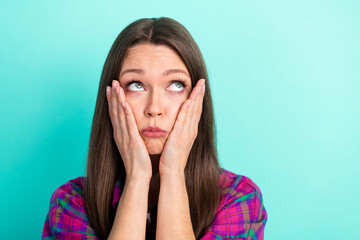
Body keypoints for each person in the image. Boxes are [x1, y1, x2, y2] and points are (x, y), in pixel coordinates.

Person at [41, 17, 267, 240]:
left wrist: (172, 173)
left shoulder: (238, 198)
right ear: (110, 100)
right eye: (136, 85)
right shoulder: (72, 203)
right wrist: (137, 177)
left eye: (176, 85)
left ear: (198, 100)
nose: (154, 109)